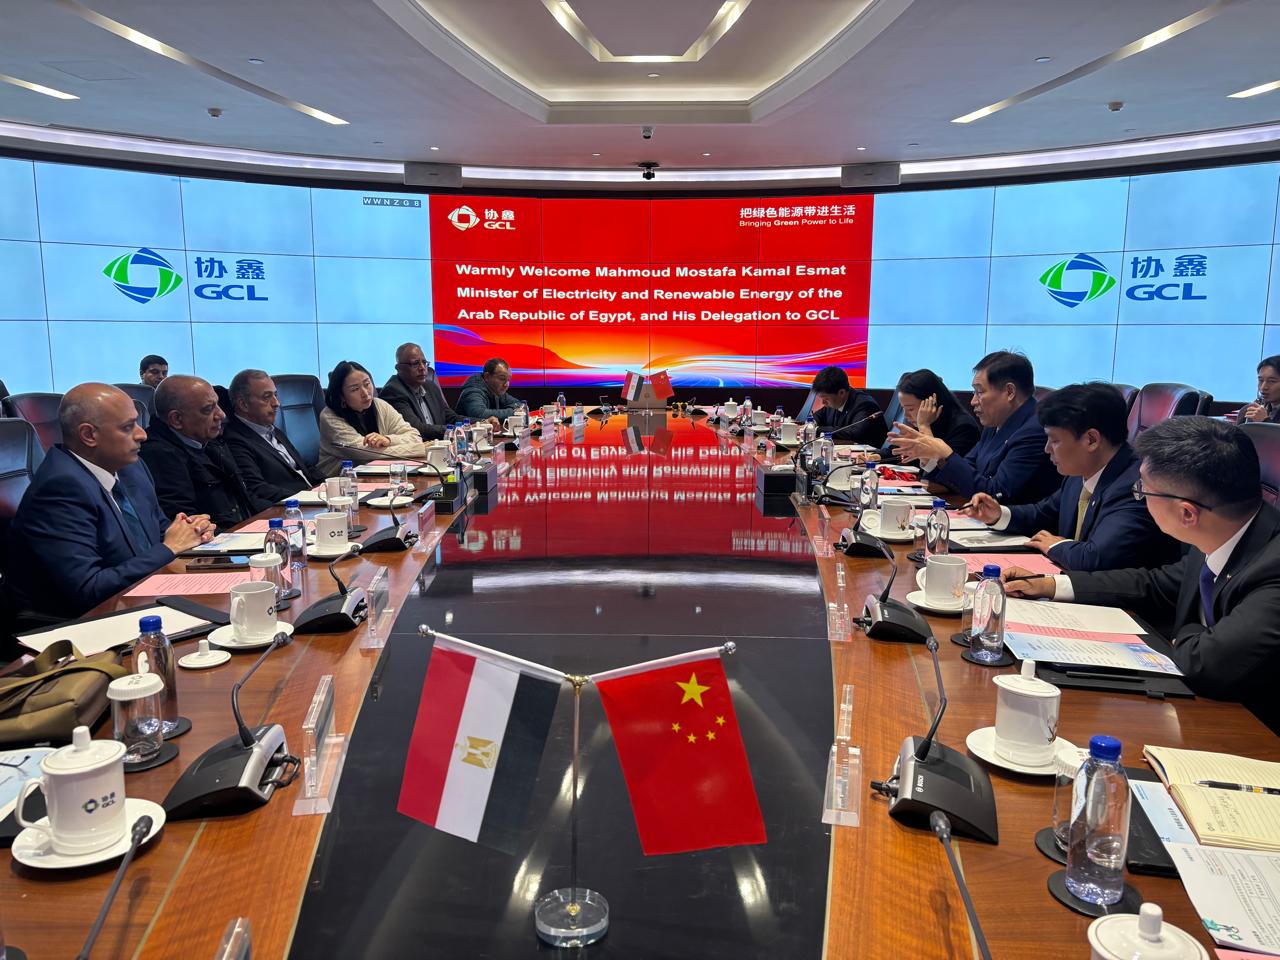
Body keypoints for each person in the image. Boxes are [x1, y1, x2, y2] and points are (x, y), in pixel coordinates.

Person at [1004, 417, 1280, 734]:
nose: (1139, 497)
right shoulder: (1220, 529)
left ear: (1186, 513)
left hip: (1251, 735)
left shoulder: (1272, 568)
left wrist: (1187, 630)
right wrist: (1052, 585)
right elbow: (1156, 584)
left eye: (1143, 491)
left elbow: (1205, 664)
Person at [7, 384, 213, 619]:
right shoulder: (60, 488)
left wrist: (191, 532)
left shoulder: (131, 467)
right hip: (82, 623)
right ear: (89, 435)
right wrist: (170, 548)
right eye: (128, 427)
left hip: (144, 596)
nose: (142, 434)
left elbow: (160, 530)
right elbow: (89, 589)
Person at [961, 383, 1178, 571]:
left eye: (1054, 441)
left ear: (1091, 440)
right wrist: (998, 514)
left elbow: (1097, 557)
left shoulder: (1136, 486)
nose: (1047, 449)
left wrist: (1056, 546)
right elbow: (1044, 513)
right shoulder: (1080, 472)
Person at [890, 350, 1058, 504]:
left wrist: (945, 454)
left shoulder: (1035, 431)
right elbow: (965, 470)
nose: (973, 401)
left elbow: (995, 495)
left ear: (1009, 392)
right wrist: (934, 457)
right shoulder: (994, 423)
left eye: (980, 392)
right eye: (973, 393)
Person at [140, 375, 254, 529]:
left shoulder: (208, 439)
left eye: (217, 404)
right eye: (208, 409)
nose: (221, 415)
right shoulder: (159, 455)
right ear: (176, 419)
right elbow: (187, 525)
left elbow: (246, 499)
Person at [222, 369, 325, 509]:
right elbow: (258, 488)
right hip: (289, 508)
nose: (276, 403)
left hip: (312, 499)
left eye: (275, 395)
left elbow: (304, 466)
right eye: (266, 397)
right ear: (243, 404)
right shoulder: (235, 440)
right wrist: (307, 497)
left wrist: (330, 485)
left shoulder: (271, 428)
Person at [317, 360, 427, 474]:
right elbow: (365, 453)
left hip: (379, 475)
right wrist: (421, 449)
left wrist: (389, 440)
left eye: (367, 384)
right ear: (341, 396)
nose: (365, 393)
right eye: (355, 389)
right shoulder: (330, 416)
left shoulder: (380, 405)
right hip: (339, 481)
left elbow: (414, 436)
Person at [380, 343, 476, 440]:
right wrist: (457, 430)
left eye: (424, 362)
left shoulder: (430, 387)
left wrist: (480, 423)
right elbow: (417, 429)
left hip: (439, 445)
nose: (422, 368)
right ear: (399, 368)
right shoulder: (393, 392)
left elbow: (451, 417)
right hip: (418, 447)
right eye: (415, 363)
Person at [892, 369, 979, 462]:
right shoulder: (923, 421)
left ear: (932, 403)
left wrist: (924, 426)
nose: (906, 415)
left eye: (910, 409)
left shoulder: (964, 428)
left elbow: (940, 468)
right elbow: (898, 452)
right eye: (903, 408)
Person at [809, 366, 887, 446]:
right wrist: (811, 424)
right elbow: (818, 416)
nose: (823, 402)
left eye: (825, 398)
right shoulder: (834, 401)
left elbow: (855, 433)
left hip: (870, 452)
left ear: (841, 393)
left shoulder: (865, 405)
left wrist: (817, 429)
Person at [457, 358, 523, 422]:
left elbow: (520, 405)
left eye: (508, 380)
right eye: (502, 379)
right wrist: (514, 413)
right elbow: (480, 414)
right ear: (487, 377)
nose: (506, 384)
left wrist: (517, 410)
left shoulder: (496, 390)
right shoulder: (473, 391)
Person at [1240, 355, 1280, 423]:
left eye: (1272, 381)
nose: (1263, 387)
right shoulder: (1251, 410)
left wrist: (1265, 421)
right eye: (1261, 380)